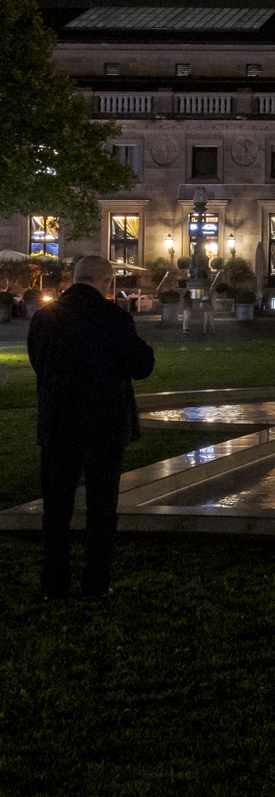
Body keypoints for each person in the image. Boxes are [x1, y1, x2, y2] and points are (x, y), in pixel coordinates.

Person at [29, 254, 156, 598]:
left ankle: (54, 582)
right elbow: (141, 365)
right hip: (103, 423)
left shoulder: (44, 317)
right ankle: (95, 583)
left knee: (56, 506)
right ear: (106, 282)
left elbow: (37, 362)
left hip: (57, 422)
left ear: (75, 278)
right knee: (102, 506)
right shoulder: (113, 317)